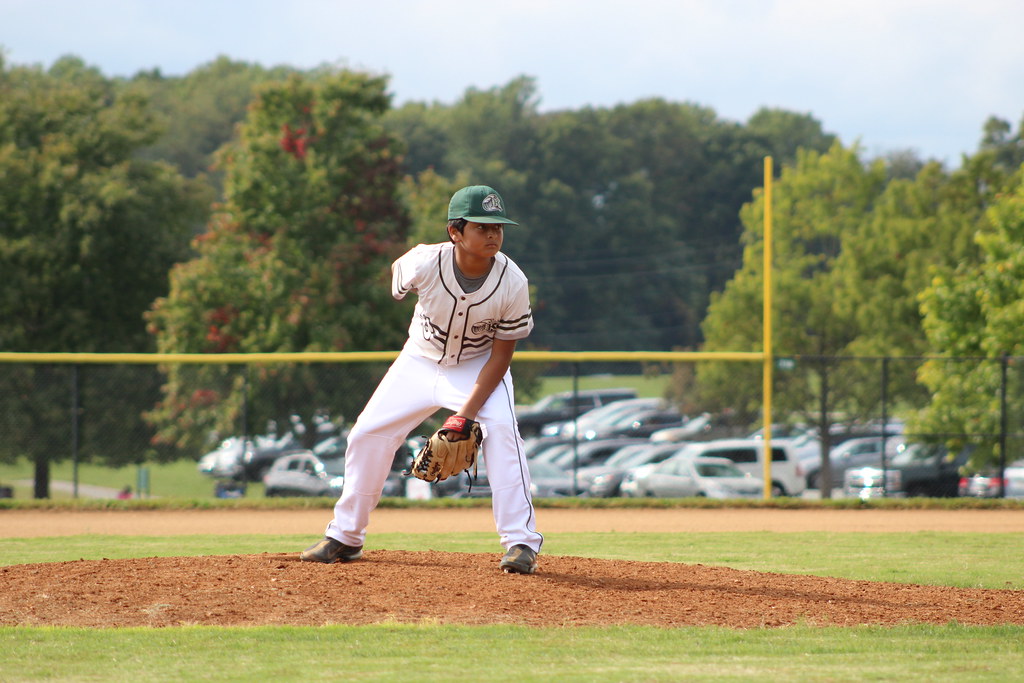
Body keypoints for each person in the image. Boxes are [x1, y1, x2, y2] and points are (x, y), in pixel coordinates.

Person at [300, 185, 543, 573]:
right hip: (418, 360)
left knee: (502, 431)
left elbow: (501, 357)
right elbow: (398, 277)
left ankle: (521, 543)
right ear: (455, 232)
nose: (493, 234)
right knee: (366, 435)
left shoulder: (512, 282)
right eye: (481, 227)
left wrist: (464, 415)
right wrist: (407, 275)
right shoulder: (425, 262)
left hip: (477, 366)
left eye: (498, 226)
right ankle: (346, 536)